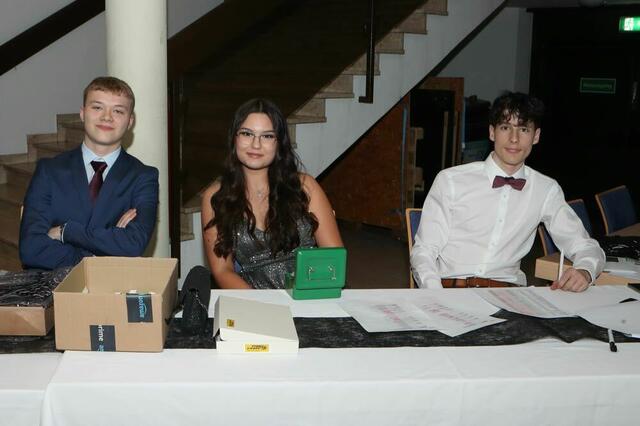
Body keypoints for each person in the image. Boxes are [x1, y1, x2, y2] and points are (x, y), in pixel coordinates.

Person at [410, 91, 604, 292]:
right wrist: (435, 293)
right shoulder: (451, 180)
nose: (514, 139)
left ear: (536, 136)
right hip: (450, 290)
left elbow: (585, 246)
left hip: (509, 295)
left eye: (523, 129)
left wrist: (585, 270)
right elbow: (424, 251)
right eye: (505, 127)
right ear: (492, 132)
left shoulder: (546, 190)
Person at [201, 98, 343, 289]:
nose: (256, 144)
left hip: (309, 294)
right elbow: (222, 271)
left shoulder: (305, 187)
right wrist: (261, 304)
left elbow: (333, 257)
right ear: (234, 138)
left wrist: (304, 298)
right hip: (251, 298)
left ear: (279, 143)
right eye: (247, 133)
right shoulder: (216, 198)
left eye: (267, 136)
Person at [19, 76, 159, 270]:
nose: (107, 117)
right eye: (97, 107)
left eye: (118, 111)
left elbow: (134, 243)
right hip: (54, 285)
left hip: (111, 287)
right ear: (83, 113)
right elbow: (31, 249)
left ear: (130, 121)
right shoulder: (49, 171)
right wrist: (100, 256)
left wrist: (66, 231)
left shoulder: (143, 177)